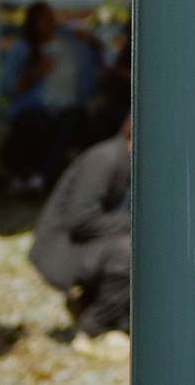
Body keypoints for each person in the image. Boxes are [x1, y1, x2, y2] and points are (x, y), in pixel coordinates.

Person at [32, 120, 132, 361]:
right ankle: (93, 328)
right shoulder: (104, 159)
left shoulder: (125, 159)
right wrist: (142, 223)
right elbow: (81, 220)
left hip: (89, 244)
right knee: (132, 253)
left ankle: (102, 312)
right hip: (63, 251)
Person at [1, 0, 90, 190]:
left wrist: (92, 42)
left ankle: (41, 177)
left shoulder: (69, 45)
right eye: (44, 18)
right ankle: (25, 172)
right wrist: (36, 73)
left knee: (73, 119)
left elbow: (91, 76)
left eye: (52, 17)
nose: (50, 21)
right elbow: (8, 87)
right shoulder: (22, 49)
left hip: (67, 109)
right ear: (33, 23)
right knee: (37, 122)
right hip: (34, 110)